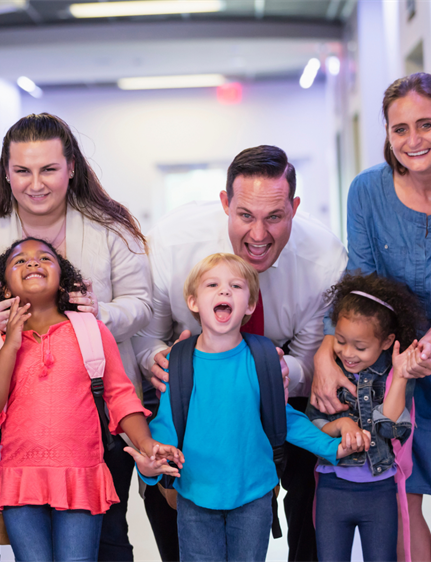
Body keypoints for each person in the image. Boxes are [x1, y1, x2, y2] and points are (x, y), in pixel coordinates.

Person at [0, 114, 152, 561]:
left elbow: (142, 304)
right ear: (6, 172)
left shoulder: (110, 225)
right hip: (20, 439)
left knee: (110, 541)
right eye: (22, 170)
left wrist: (100, 314)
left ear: (71, 167)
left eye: (49, 169)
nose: (35, 184)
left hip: (95, 423)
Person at [133, 145, 347, 562]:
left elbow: (306, 367)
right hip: (186, 379)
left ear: (295, 208)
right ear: (225, 204)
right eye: (245, 215)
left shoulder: (322, 261)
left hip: (273, 380)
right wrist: (161, 362)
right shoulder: (172, 244)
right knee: (169, 504)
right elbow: (146, 337)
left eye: (275, 217)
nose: (259, 235)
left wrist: (274, 371)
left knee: (311, 484)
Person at [309, 73, 431, 562]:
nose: (414, 140)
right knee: (401, 496)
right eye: (400, 129)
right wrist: (327, 350)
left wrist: (428, 344)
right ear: (388, 135)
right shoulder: (367, 191)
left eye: (425, 124)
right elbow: (360, 284)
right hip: (386, 370)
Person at [0, 238, 180, 562]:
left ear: (62, 279)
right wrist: (11, 343)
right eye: (19, 261)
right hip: (19, 478)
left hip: (81, 475)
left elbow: (120, 396)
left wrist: (147, 444)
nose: (32, 262)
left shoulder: (91, 331)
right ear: (6, 288)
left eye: (45, 258)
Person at [306, 273, 427, 562]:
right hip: (332, 490)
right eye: (340, 341)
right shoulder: (329, 371)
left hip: (379, 492)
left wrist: (400, 378)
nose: (348, 353)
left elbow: (391, 429)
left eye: (360, 347)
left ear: (386, 342)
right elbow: (313, 425)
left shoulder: (395, 375)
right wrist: (341, 425)